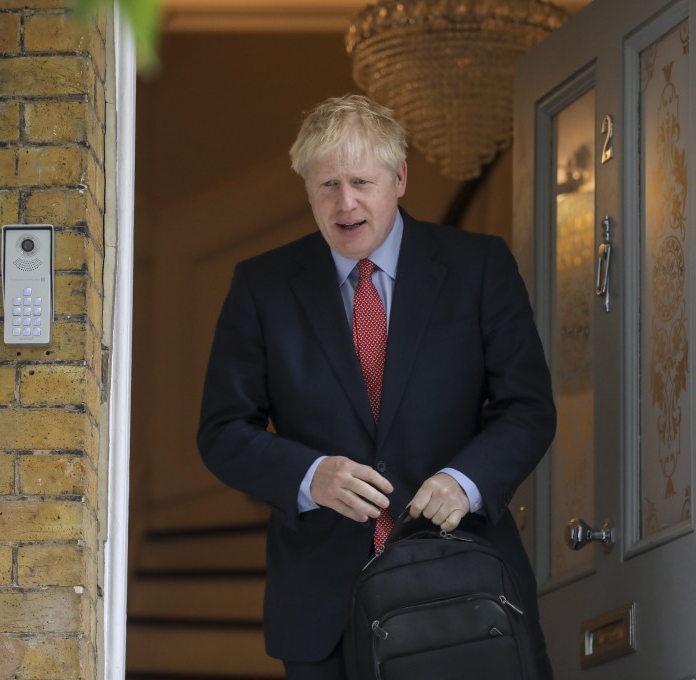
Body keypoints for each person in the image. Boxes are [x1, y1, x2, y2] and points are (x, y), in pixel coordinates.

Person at [197, 94, 556, 679]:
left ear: (400, 179)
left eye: (361, 182)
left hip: (469, 590)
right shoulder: (262, 287)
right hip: (324, 611)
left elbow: (528, 407)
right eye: (327, 185)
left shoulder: (478, 266)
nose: (346, 203)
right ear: (307, 190)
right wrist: (311, 476)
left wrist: (464, 482)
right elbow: (222, 431)